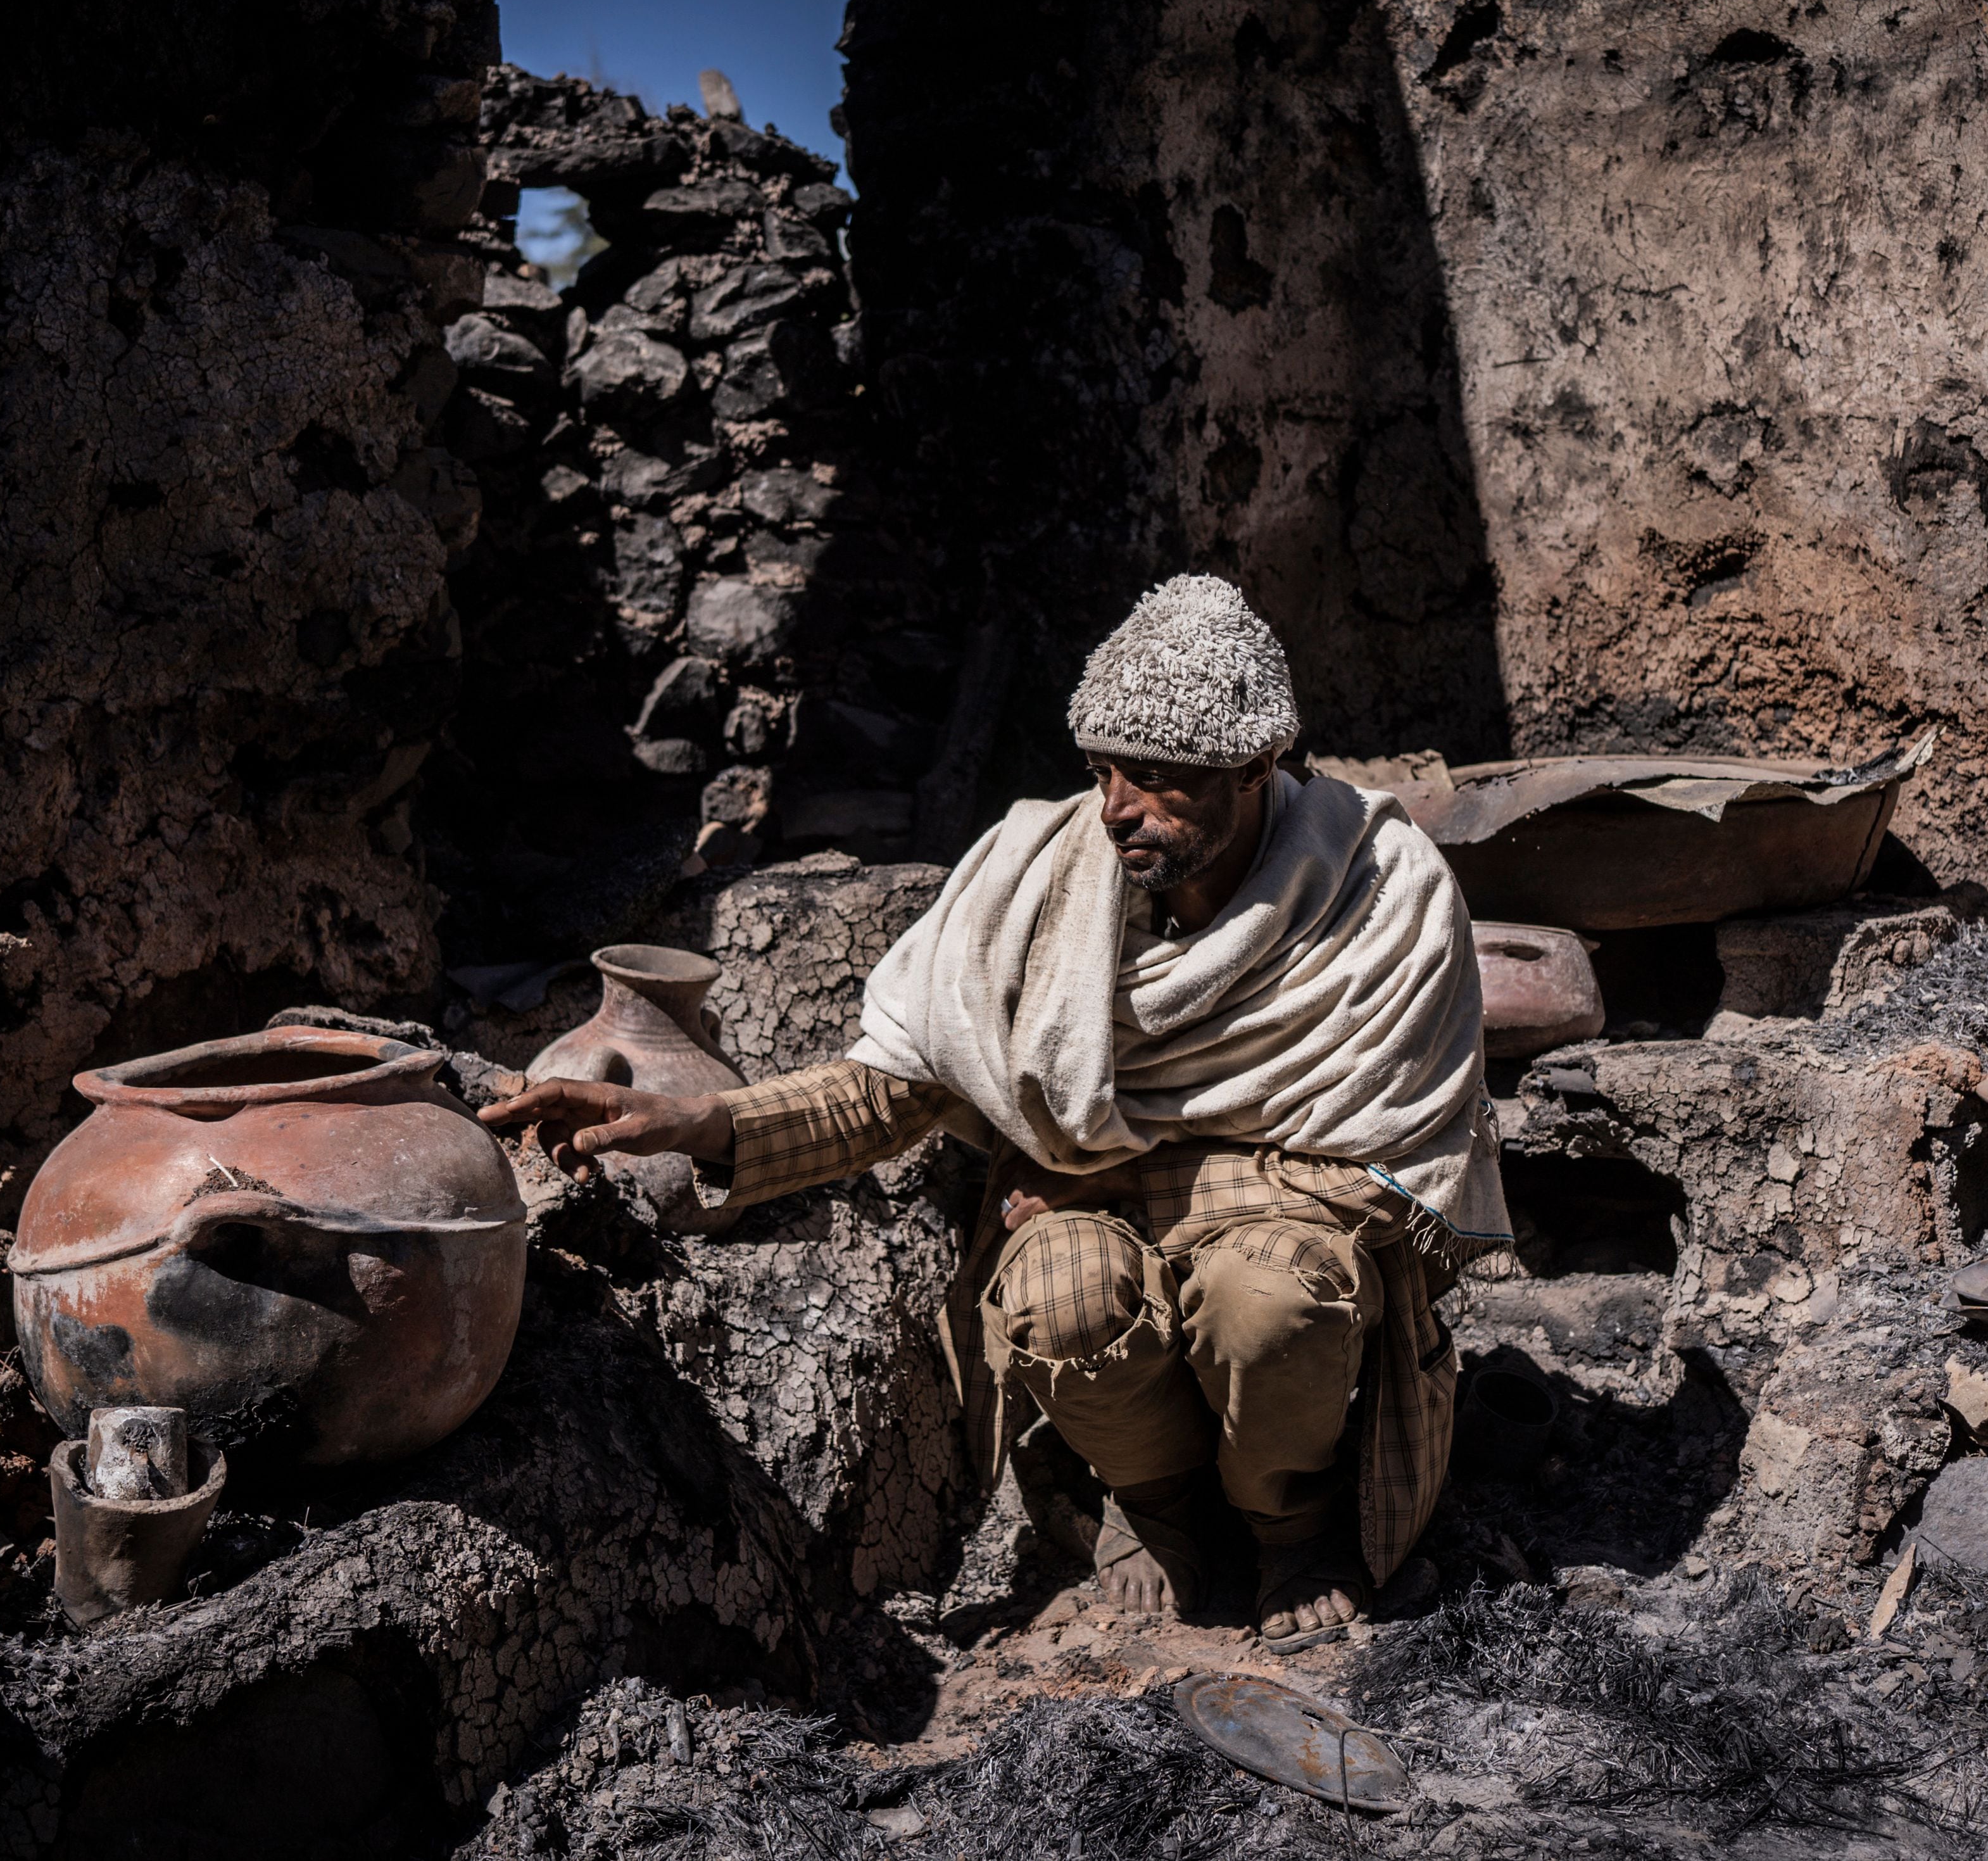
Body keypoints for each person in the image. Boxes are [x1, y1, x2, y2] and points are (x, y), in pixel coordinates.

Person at [484, 574, 1508, 1644]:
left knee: (1275, 1294)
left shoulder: (1384, 892)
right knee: (1061, 1288)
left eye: (1154, 779)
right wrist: (701, 1125)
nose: (1114, 809)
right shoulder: (1041, 875)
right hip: (1098, 1220)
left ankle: (1289, 1519)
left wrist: (1124, 1174)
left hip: (1287, 1228)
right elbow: (900, 1087)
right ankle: (1160, 1503)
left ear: (1256, 767)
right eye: (1103, 771)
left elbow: (1391, 1177)